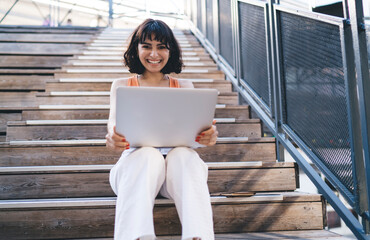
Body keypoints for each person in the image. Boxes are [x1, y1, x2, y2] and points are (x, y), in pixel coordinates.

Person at [106, 19, 218, 240]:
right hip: (134, 171)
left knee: (184, 154)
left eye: (161, 47)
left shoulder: (185, 87)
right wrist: (113, 138)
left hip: (175, 175)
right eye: (147, 46)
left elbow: (200, 132)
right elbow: (113, 127)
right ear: (136, 49)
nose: (154, 54)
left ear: (171, 51)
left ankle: (199, 237)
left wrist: (208, 136)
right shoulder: (121, 85)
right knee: (147, 155)